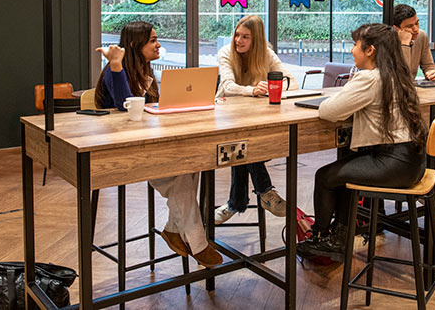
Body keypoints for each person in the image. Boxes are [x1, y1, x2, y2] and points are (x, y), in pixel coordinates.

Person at [95, 21, 222, 267]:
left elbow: (154, 111)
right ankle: (197, 242)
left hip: (151, 147)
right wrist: (116, 64)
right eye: (152, 40)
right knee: (183, 175)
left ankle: (175, 229)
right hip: (124, 154)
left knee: (190, 165)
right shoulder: (114, 72)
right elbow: (125, 105)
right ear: (135, 45)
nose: (158, 44)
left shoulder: (147, 72)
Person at [297, 23, 428, 262]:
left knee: (325, 177)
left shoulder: (370, 79)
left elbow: (328, 111)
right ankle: (338, 238)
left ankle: (322, 238)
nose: (352, 50)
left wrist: (349, 89)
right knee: (346, 172)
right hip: (414, 162)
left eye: (355, 45)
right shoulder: (397, 74)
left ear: (371, 50)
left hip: (394, 162)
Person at [214, 15, 298, 224]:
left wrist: (272, 87)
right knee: (245, 142)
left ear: (257, 40)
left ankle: (235, 203)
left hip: (254, 119)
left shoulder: (266, 54)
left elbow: (292, 82)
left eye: (245, 37)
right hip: (227, 117)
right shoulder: (225, 53)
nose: (238, 41)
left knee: (244, 145)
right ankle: (266, 193)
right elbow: (226, 87)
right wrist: (252, 90)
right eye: (237, 35)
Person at [393, 3, 435, 81]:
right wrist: (404, 44)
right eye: (409, 26)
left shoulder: (421, 36)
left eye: (417, 23)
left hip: (411, 89)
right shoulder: (385, 41)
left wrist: (431, 72)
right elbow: (402, 77)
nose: (415, 29)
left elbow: (428, 65)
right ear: (396, 28)